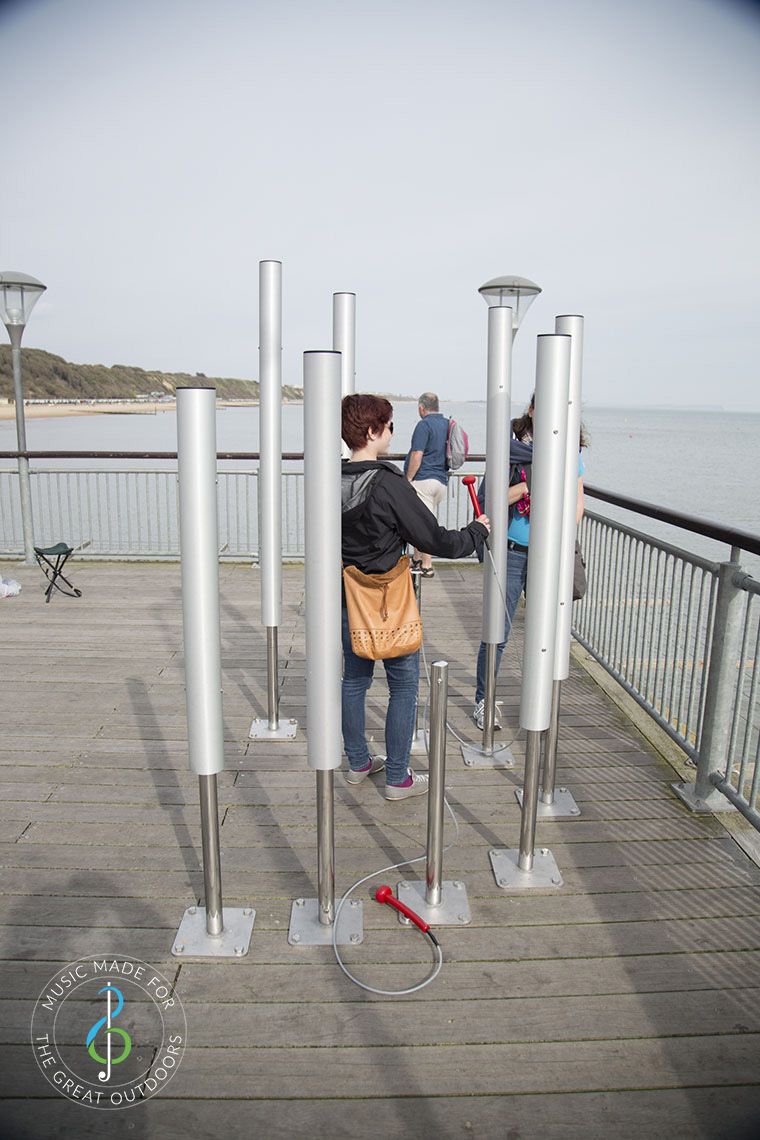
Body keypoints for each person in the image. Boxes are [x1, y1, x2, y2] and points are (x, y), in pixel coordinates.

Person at [342, 394, 490, 799]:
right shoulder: (388, 484)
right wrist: (476, 531)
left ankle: (356, 762)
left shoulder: (332, 479)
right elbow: (434, 539)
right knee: (403, 685)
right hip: (389, 599)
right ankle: (397, 777)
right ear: (373, 432)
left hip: (348, 594)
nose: (393, 433)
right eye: (389, 426)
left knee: (354, 680)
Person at [472, 396, 586, 730]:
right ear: (532, 411)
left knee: (545, 629)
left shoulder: (571, 451)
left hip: (548, 554)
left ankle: (539, 698)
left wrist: (559, 529)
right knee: (497, 630)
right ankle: (485, 700)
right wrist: (523, 487)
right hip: (510, 551)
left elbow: (577, 505)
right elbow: (488, 500)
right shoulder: (508, 447)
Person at [404, 391, 449, 577]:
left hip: (424, 481)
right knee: (420, 519)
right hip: (441, 482)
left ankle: (427, 564)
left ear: (421, 408)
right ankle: (416, 558)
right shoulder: (447, 424)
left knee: (423, 523)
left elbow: (417, 454)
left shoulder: (424, 425)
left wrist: (408, 479)